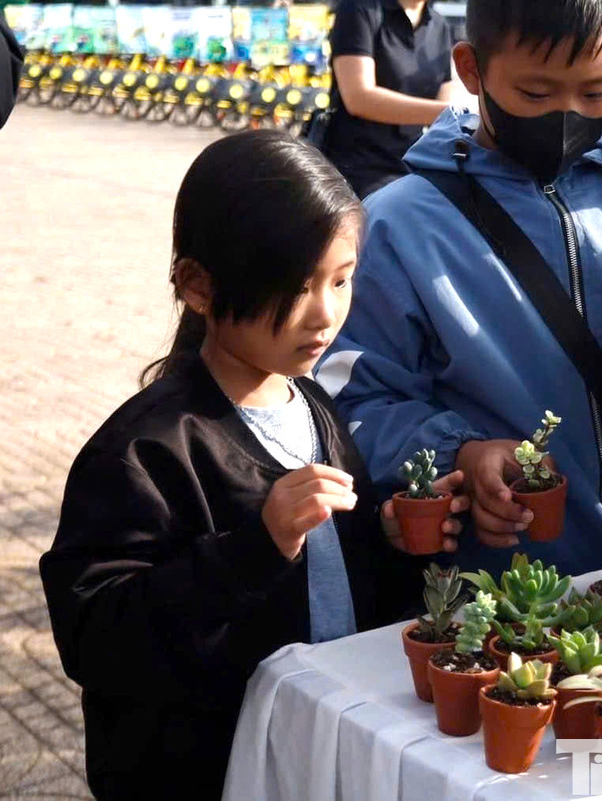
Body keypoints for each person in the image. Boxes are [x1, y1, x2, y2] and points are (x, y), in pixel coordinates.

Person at [39, 132, 464, 800]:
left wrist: (388, 532)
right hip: (210, 770)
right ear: (199, 286)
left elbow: (334, 585)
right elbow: (94, 635)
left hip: (317, 753)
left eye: (342, 279)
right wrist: (253, 547)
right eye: (292, 287)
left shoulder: (316, 406)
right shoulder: (145, 449)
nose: (325, 313)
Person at [318, 0, 602, 579]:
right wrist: (461, 452)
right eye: (535, 93)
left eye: (594, 92)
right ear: (471, 70)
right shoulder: (399, 226)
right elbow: (354, 399)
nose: (566, 113)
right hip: (503, 601)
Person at [319, 0, 466, 198]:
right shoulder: (360, 9)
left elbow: (445, 96)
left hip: (413, 169)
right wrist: (449, 112)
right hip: (353, 174)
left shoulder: (439, 27)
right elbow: (359, 97)